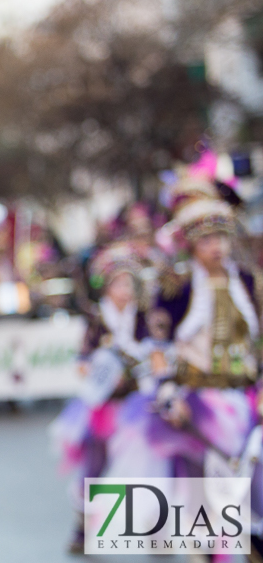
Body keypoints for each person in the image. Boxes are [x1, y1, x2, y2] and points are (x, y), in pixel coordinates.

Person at [106, 195, 263, 554]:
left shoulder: (249, 283)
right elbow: (158, 346)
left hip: (247, 400)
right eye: (207, 240)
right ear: (192, 245)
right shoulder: (178, 289)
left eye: (221, 238)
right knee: (206, 490)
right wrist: (166, 394)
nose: (216, 247)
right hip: (198, 404)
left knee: (255, 489)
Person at [49, 242, 150, 553]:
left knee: (144, 463)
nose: (124, 290)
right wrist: (99, 368)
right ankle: (85, 528)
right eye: (118, 283)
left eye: (129, 283)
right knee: (97, 464)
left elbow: (154, 351)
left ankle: (151, 525)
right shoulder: (97, 320)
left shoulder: (141, 319)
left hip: (135, 404)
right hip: (103, 406)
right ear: (106, 287)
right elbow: (82, 360)